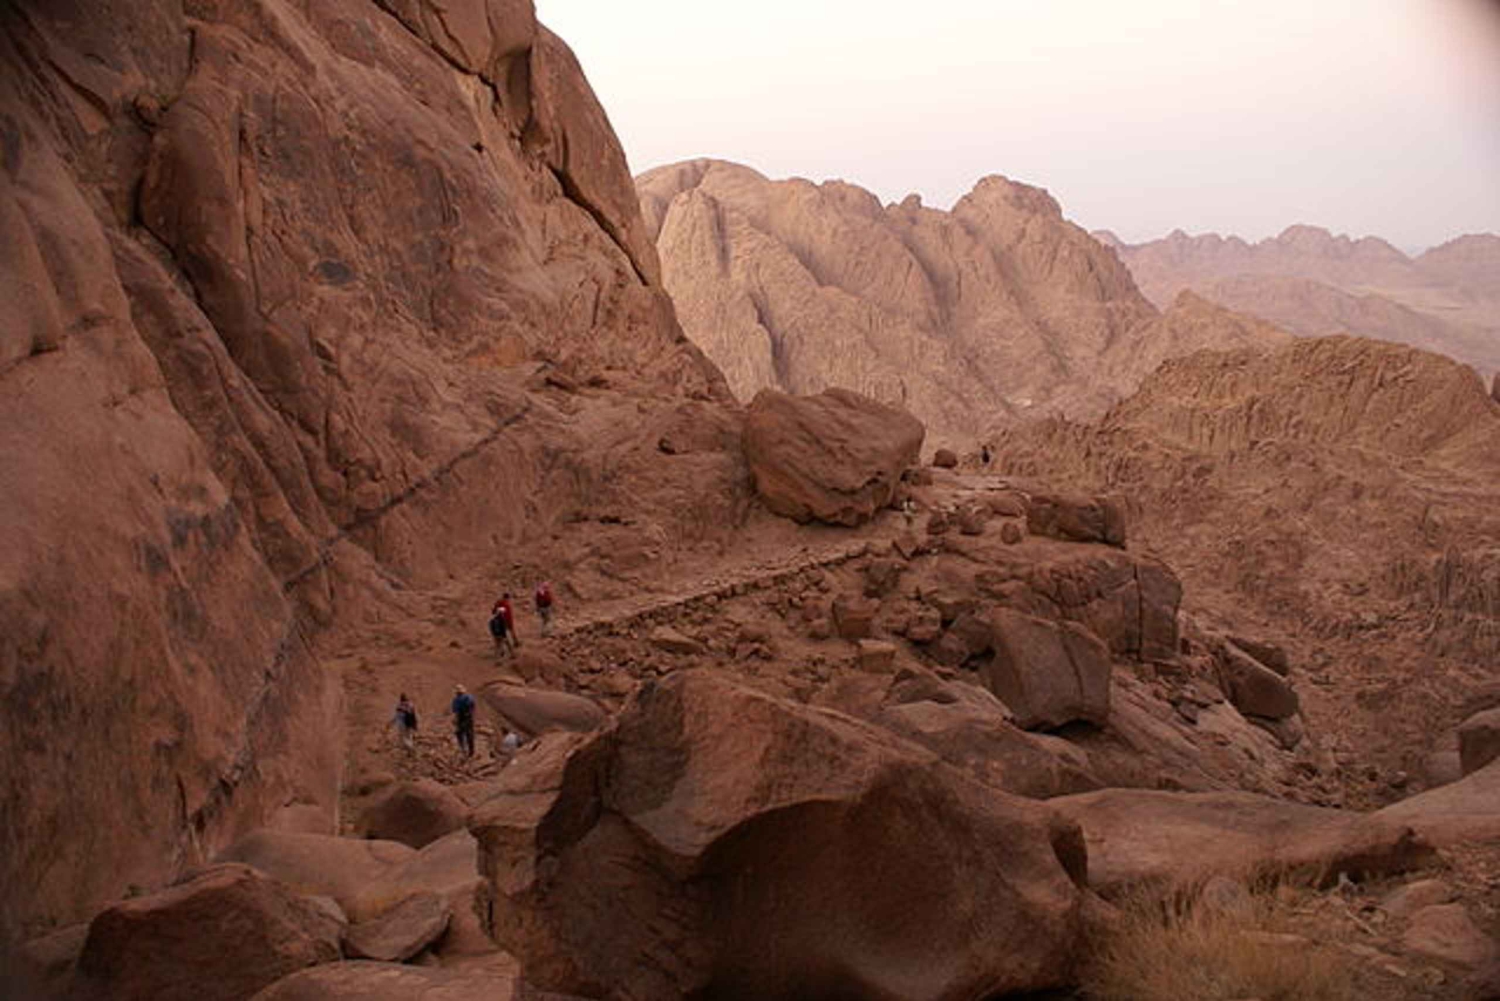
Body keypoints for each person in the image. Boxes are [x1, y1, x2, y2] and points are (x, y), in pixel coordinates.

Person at [451, 684, 476, 758]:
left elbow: (455, 710)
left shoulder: (456, 700)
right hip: (469, 718)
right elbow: (473, 706)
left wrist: (455, 719)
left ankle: (463, 749)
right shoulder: (470, 697)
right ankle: (471, 751)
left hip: (461, 719)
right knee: (470, 734)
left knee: (459, 733)